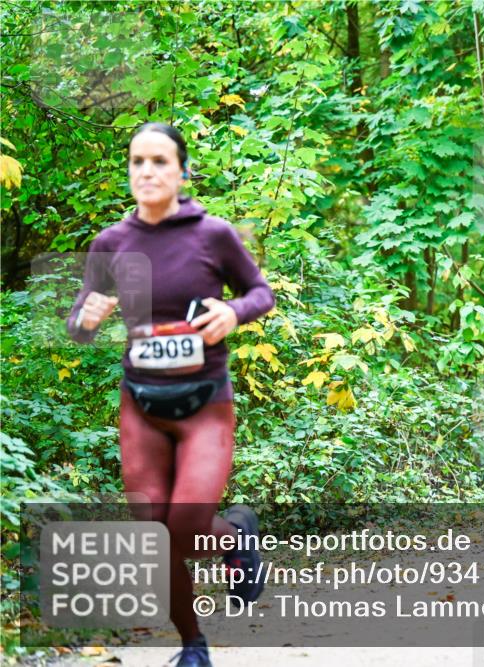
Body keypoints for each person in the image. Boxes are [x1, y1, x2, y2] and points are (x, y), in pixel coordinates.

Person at [67, 123, 275, 667]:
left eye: (160, 161)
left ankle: (234, 538)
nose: (147, 172)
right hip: (141, 404)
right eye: (137, 162)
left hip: (205, 402)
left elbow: (261, 293)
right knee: (152, 532)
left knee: (183, 525)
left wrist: (233, 311)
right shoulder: (113, 243)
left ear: (183, 172)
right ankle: (193, 645)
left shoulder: (213, 235)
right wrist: (85, 318)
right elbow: (80, 321)